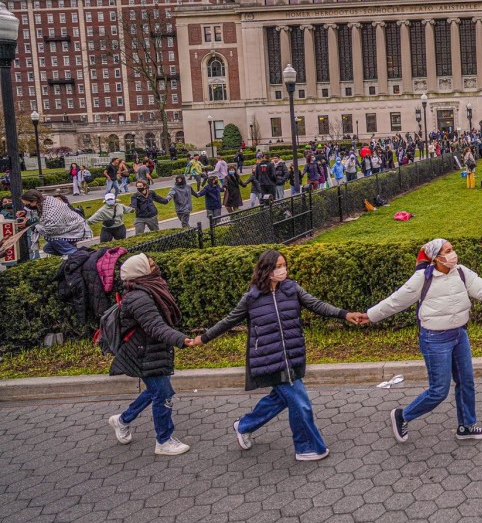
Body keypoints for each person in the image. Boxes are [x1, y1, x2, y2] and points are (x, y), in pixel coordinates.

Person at [191, 250, 368, 461]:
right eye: (277, 266)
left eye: (284, 265)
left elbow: (316, 304)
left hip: (292, 356)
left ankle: (245, 425)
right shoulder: (252, 298)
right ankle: (306, 448)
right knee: (300, 402)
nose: (282, 270)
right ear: (266, 270)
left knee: (281, 399)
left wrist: (344, 314)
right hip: (270, 359)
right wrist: (204, 338)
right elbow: (228, 321)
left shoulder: (292, 289)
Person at [366, 239, 482, 443]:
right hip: (435, 340)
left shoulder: (461, 272)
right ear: (436, 257)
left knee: (466, 381)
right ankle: (403, 415)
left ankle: (467, 426)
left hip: (459, 335)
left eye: (453, 249)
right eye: (448, 250)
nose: (454, 254)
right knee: (439, 390)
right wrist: (370, 316)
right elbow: (395, 301)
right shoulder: (422, 278)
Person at [106, 253, 192, 456]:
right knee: (163, 394)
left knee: (156, 390)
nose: (156, 267)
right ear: (141, 273)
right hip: (143, 353)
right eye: (151, 265)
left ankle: (122, 420)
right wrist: (181, 339)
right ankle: (163, 440)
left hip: (149, 351)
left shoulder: (147, 291)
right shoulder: (139, 298)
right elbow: (155, 326)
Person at [21, 190, 91, 255]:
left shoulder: (51, 207)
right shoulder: (45, 202)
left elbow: (50, 229)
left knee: (51, 238)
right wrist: (25, 213)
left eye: (27, 204)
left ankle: (78, 255)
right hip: (69, 228)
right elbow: (42, 218)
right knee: (48, 249)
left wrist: (32, 225)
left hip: (75, 229)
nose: (27, 206)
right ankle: (78, 254)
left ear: (34, 201)